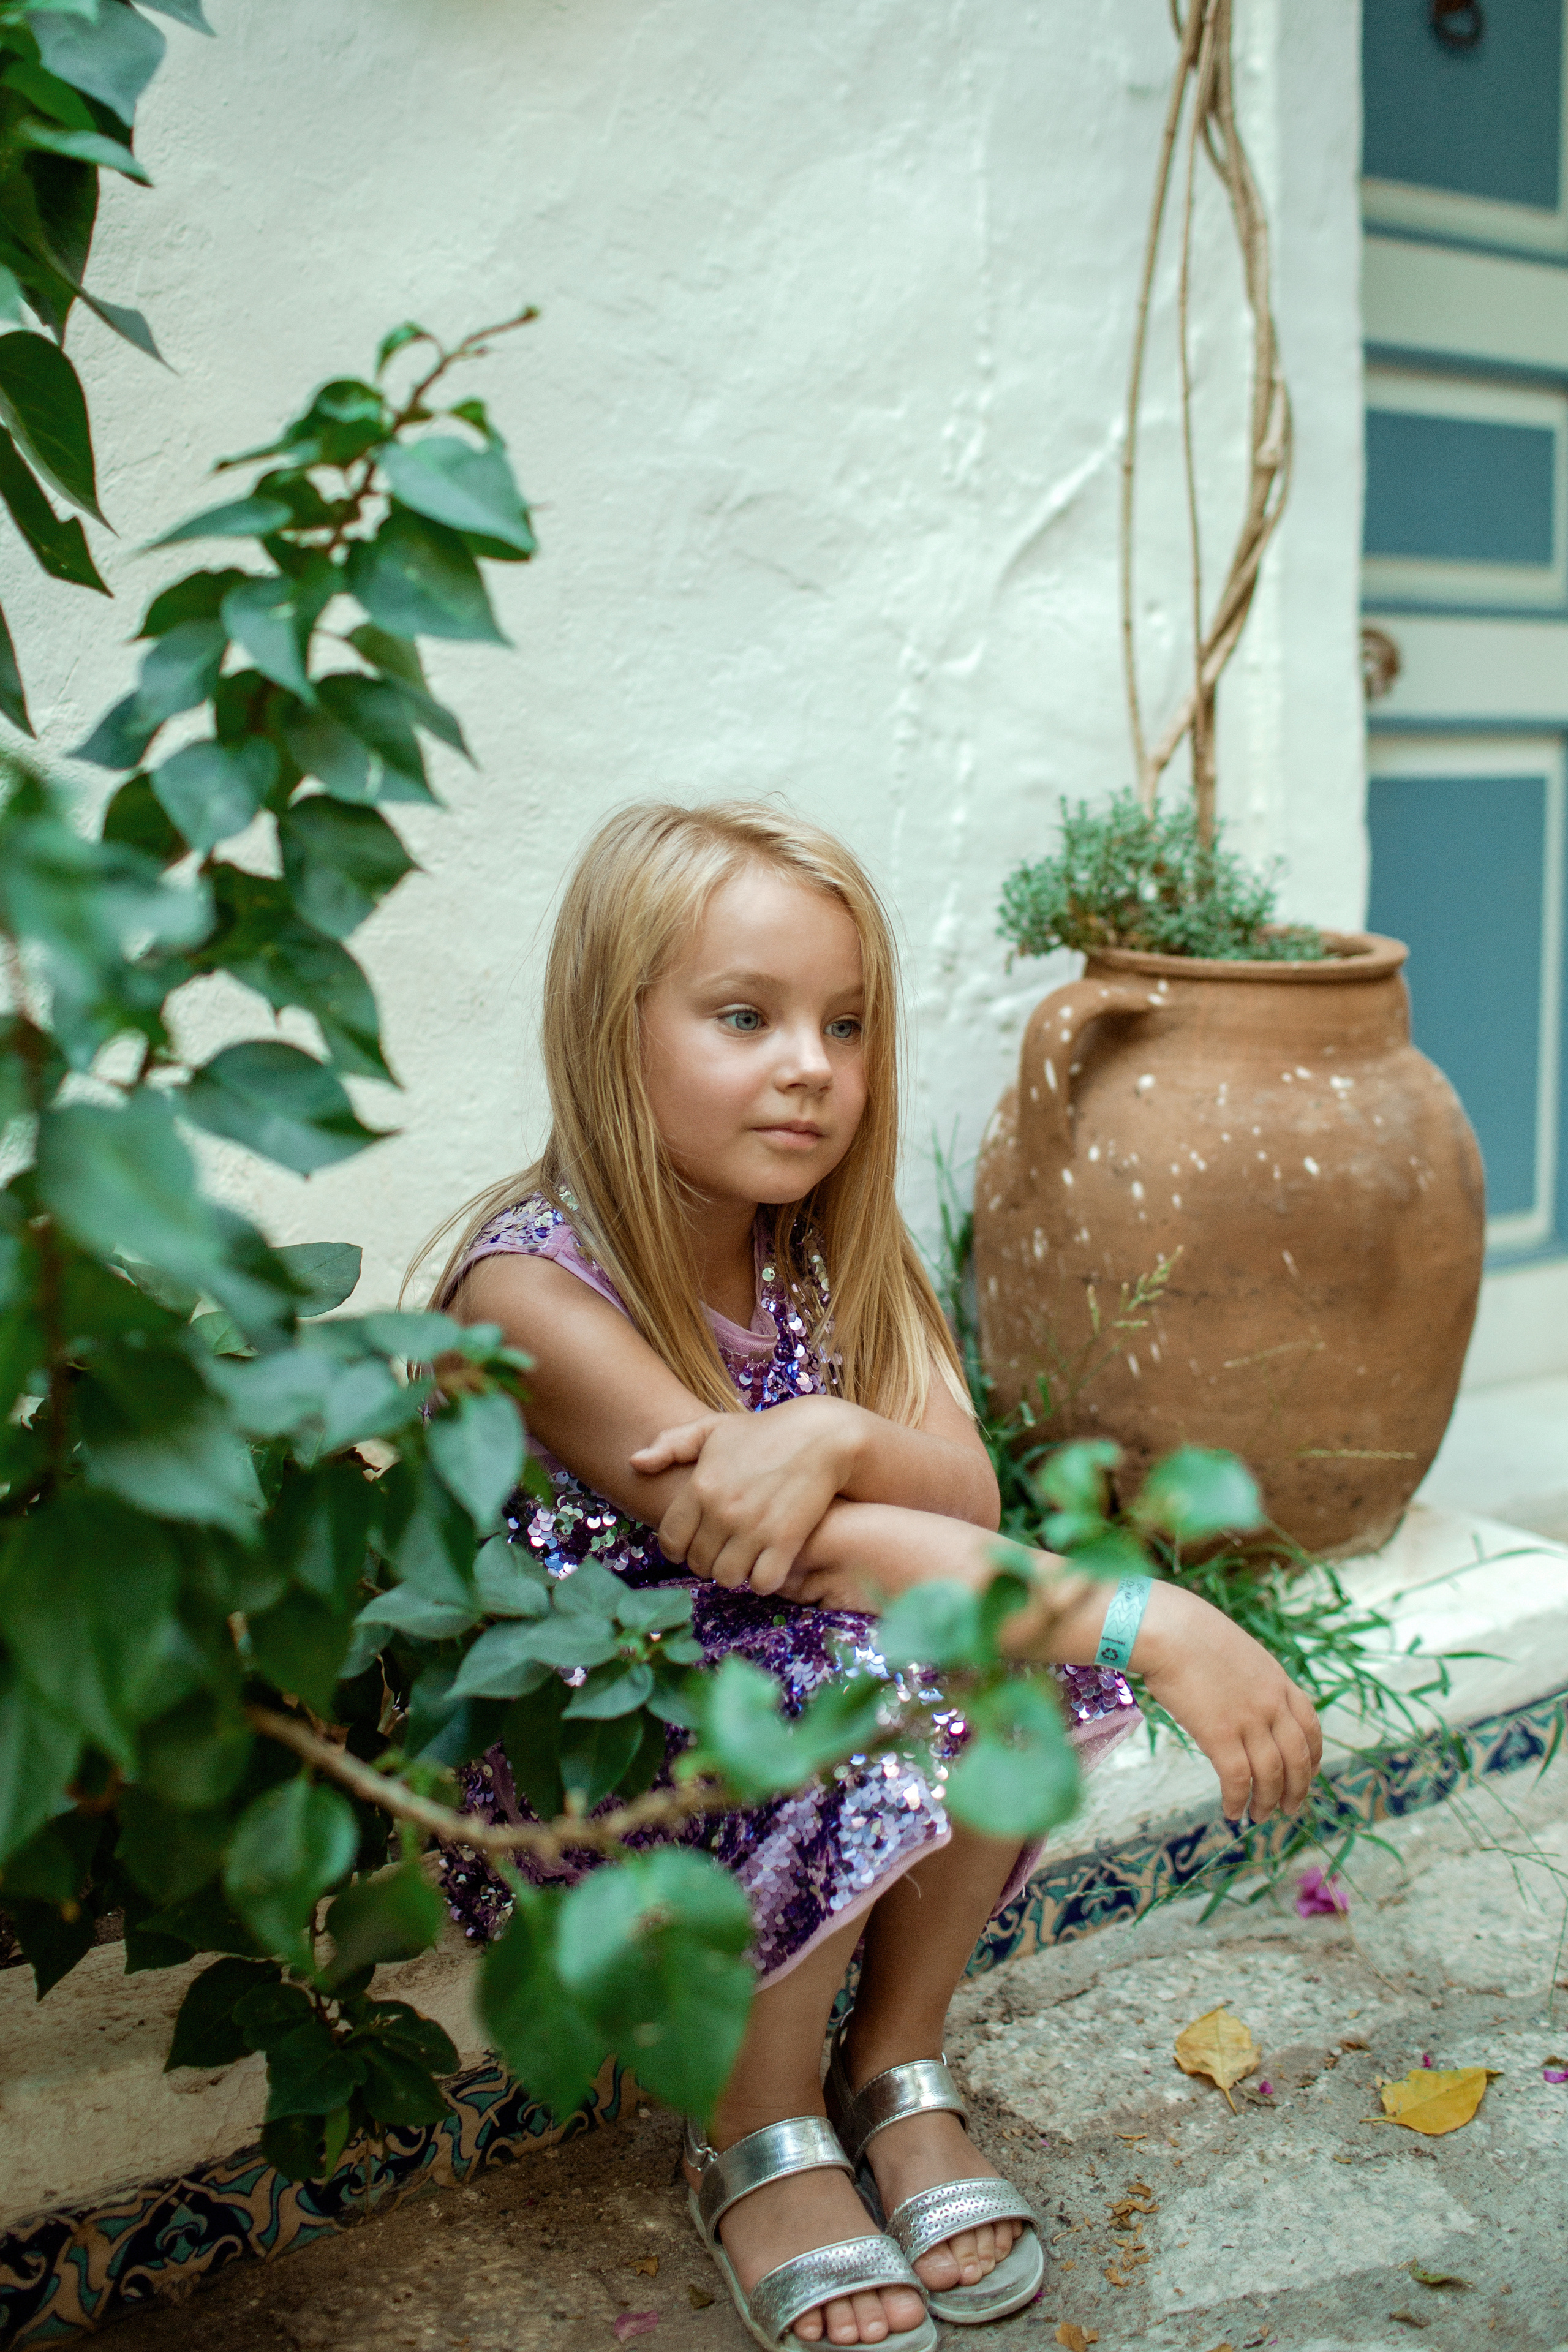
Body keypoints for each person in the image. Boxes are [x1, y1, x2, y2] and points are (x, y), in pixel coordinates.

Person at [429, 801, 1322, 2352]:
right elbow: (803, 1552)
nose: (811, 1067)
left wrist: (834, 1428)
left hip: (767, 1666)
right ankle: (753, 2127)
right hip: (597, 1744)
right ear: (610, 1029)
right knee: (879, 1658)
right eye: (744, 1017)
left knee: (983, 1644)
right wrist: (1144, 1617)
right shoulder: (528, 1290)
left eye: (843, 1025)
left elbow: (957, 1491)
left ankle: (892, 2060)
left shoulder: (819, 1247)